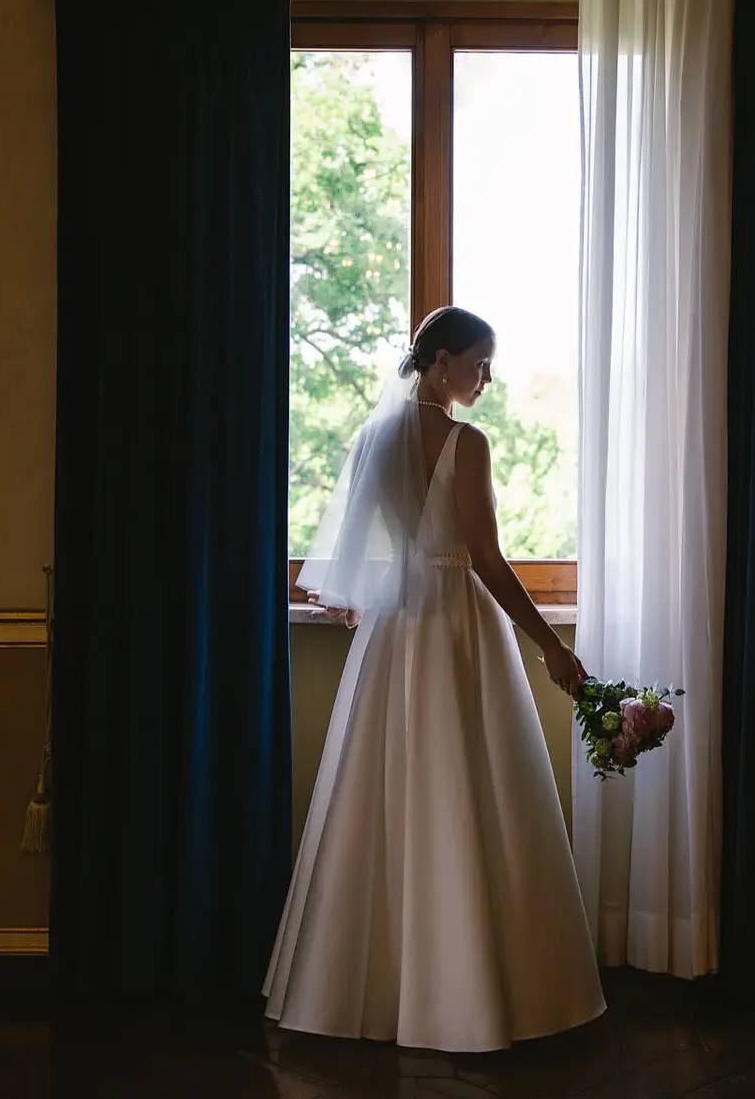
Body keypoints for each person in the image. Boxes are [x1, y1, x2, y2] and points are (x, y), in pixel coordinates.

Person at [263, 306, 605, 1053]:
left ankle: (374, 992)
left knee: (388, 796)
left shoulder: (372, 442)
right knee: (467, 790)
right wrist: (549, 644)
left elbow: (360, 550)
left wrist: (364, 599)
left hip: (394, 631)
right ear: (442, 363)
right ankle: (469, 993)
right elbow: (487, 559)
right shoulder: (465, 442)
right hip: (455, 625)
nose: (487, 378)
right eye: (480, 363)